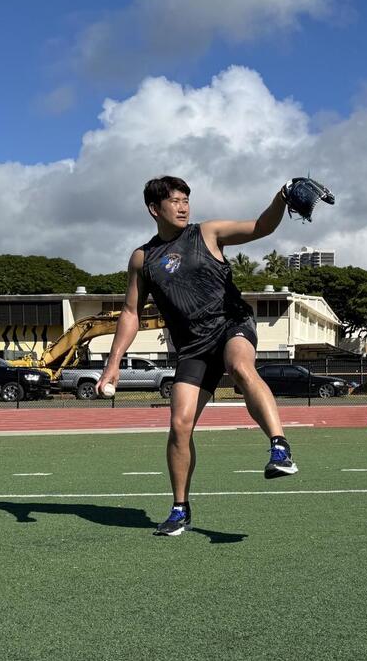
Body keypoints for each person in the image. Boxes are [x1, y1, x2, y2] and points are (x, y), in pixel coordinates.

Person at [97, 176, 296, 536]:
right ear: (154, 209)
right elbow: (130, 313)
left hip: (231, 325)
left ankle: (279, 447)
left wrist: (282, 197)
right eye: (174, 200)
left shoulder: (208, 232)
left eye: (186, 199)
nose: (183, 206)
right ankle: (179, 508)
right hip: (192, 348)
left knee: (239, 366)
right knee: (179, 425)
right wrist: (112, 365)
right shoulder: (143, 259)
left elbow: (261, 226)